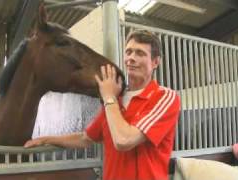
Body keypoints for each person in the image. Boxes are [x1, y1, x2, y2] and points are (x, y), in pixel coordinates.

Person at [24, 30, 181, 180]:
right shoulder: (116, 101)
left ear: (155, 62)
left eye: (140, 53)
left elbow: (124, 140)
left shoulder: (164, 97)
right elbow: (85, 138)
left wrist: (108, 96)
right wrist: (46, 139)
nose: (131, 58)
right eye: (128, 52)